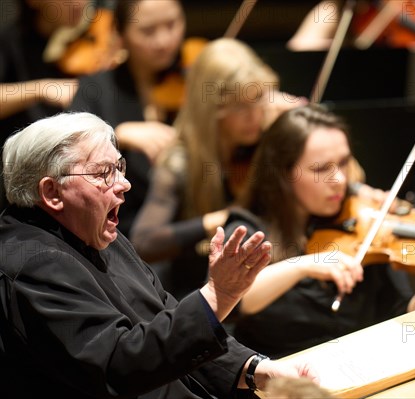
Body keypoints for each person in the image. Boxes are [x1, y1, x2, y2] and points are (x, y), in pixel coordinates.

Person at [0, 111, 317, 398]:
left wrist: (255, 369)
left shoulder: (98, 233)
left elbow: (165, 322)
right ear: (52, 193)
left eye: (119, 168)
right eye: (102, 174)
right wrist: (217, 294)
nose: (124, 184)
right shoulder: (35, 264)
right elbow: (120, 366)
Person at [223, 104, 415, 358]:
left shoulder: (365, 226)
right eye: (321, 168)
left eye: (344, 162)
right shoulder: (249, 230)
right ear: (283, 173)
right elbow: (235, 299)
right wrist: (305, 265)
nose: (339, 180)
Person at [129, 37, 308, 298]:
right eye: (240, 106)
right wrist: (219, 220)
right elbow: (143, 242)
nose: (254, 115)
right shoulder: (179, 163)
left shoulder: (264, 138)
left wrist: (300, 123)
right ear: (210, 108)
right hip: (197, 294)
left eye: (258, 99)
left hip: (264, 286)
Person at [69, 0, 198, 238]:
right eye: (147, 31)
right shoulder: (95, 88)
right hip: (118, 234)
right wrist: (118, 134)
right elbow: (67, 155)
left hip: (192, 227)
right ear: (121, 33)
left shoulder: (197, 79)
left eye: (172, 24)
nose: (163, 41)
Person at [0, 0, 104, 209]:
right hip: (23, 182)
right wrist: (41, 88)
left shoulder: (92, 38)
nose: (79, 3)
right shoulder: (10, 42)